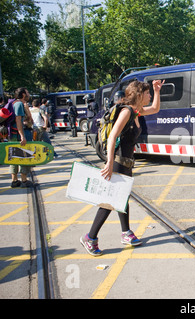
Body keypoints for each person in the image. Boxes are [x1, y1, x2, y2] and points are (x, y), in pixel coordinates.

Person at [80, 79, 164, 256]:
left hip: (126, 161)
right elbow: (112, 137)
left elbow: (155, 109)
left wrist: (157, 91)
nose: (149, 96)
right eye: (148, 93)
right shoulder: (126, 112)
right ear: (139, 95)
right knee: (110, 201)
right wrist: (109, 162)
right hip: (118, 161)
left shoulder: (136, 111)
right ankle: (90, 237)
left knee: (122, 198)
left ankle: (126, 232)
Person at [9, 88, 34, 188]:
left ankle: (14, 181)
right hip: (18, 135)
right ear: (23, 95)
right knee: (24, 156)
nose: (29, 94)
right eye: (27, 92)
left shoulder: (15, 103)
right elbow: (18, 120)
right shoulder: (19, 104)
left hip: (13, 134)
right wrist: (22, 136)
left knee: (13, 157)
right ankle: (24, 180)